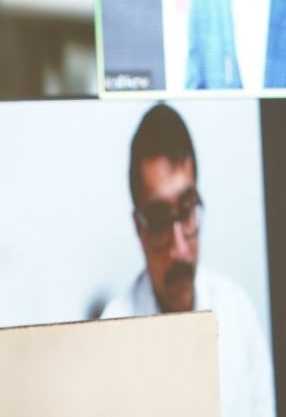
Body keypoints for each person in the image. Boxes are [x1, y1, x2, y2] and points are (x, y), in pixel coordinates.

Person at [101, 104, 274, 417]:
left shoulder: (238, 313)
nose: (179, 248)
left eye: (187, 209)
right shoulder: (111, 333)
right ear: (139, 228)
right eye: (158, 220)